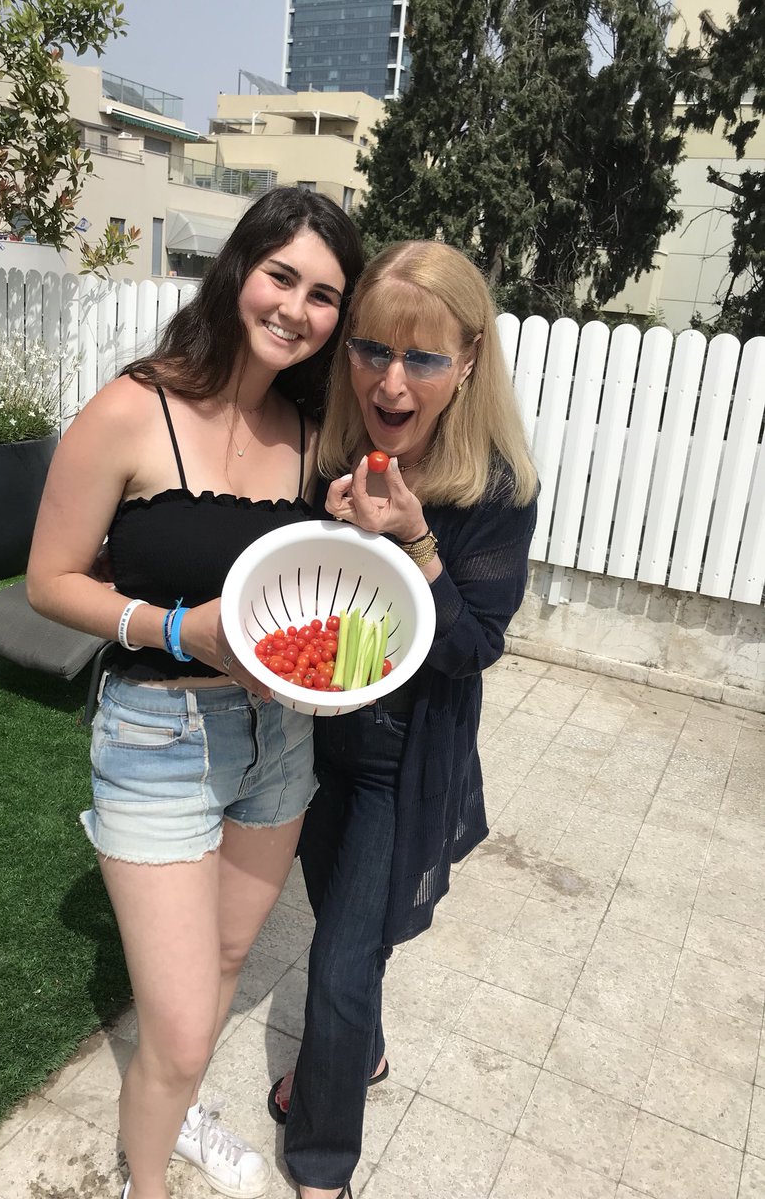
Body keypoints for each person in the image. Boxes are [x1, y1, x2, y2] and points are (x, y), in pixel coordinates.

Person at [26, 187, 364, 1199]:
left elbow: (320, 589)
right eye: (282, 276)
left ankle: (173, 1115)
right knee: (174, 1024)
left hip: (280, 741)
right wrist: (178, 628)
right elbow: (49, 581)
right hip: (158, 735)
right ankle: (146, 1181)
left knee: (220, 968)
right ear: (238, 271)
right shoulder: (134, 407)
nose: (297, 308)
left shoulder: (313, 433)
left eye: (324, 295)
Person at [266, 241, 539, 1199]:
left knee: (340, 961)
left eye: (423, 358)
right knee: (347, 919)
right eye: (374, 349)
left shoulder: (496, 489)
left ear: (468, 361)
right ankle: (360, 1054)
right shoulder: (330, 454)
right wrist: (335, 524)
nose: (392, 380)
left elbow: (473, 650)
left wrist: (415, 539)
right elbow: (305, 599)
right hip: (316, 742)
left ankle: (321, 1160)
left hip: (400, 757)